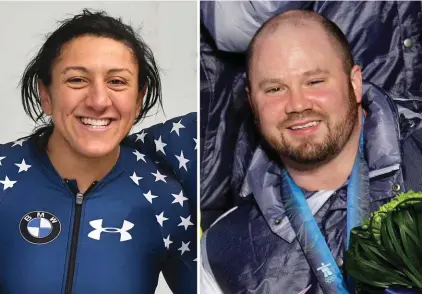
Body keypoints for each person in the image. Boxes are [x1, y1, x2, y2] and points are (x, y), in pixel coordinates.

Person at [201, 10, 422, 294]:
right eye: (274, 89)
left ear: (354, 83)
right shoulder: (223, 250)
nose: (296, 104)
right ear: (251, 101)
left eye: (314, 82)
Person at [0, 9, 197, 294]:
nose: (98, 101)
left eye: (117, 81)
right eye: (77, 80)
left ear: (139, 99)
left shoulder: (166, 197)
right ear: (46, 94)